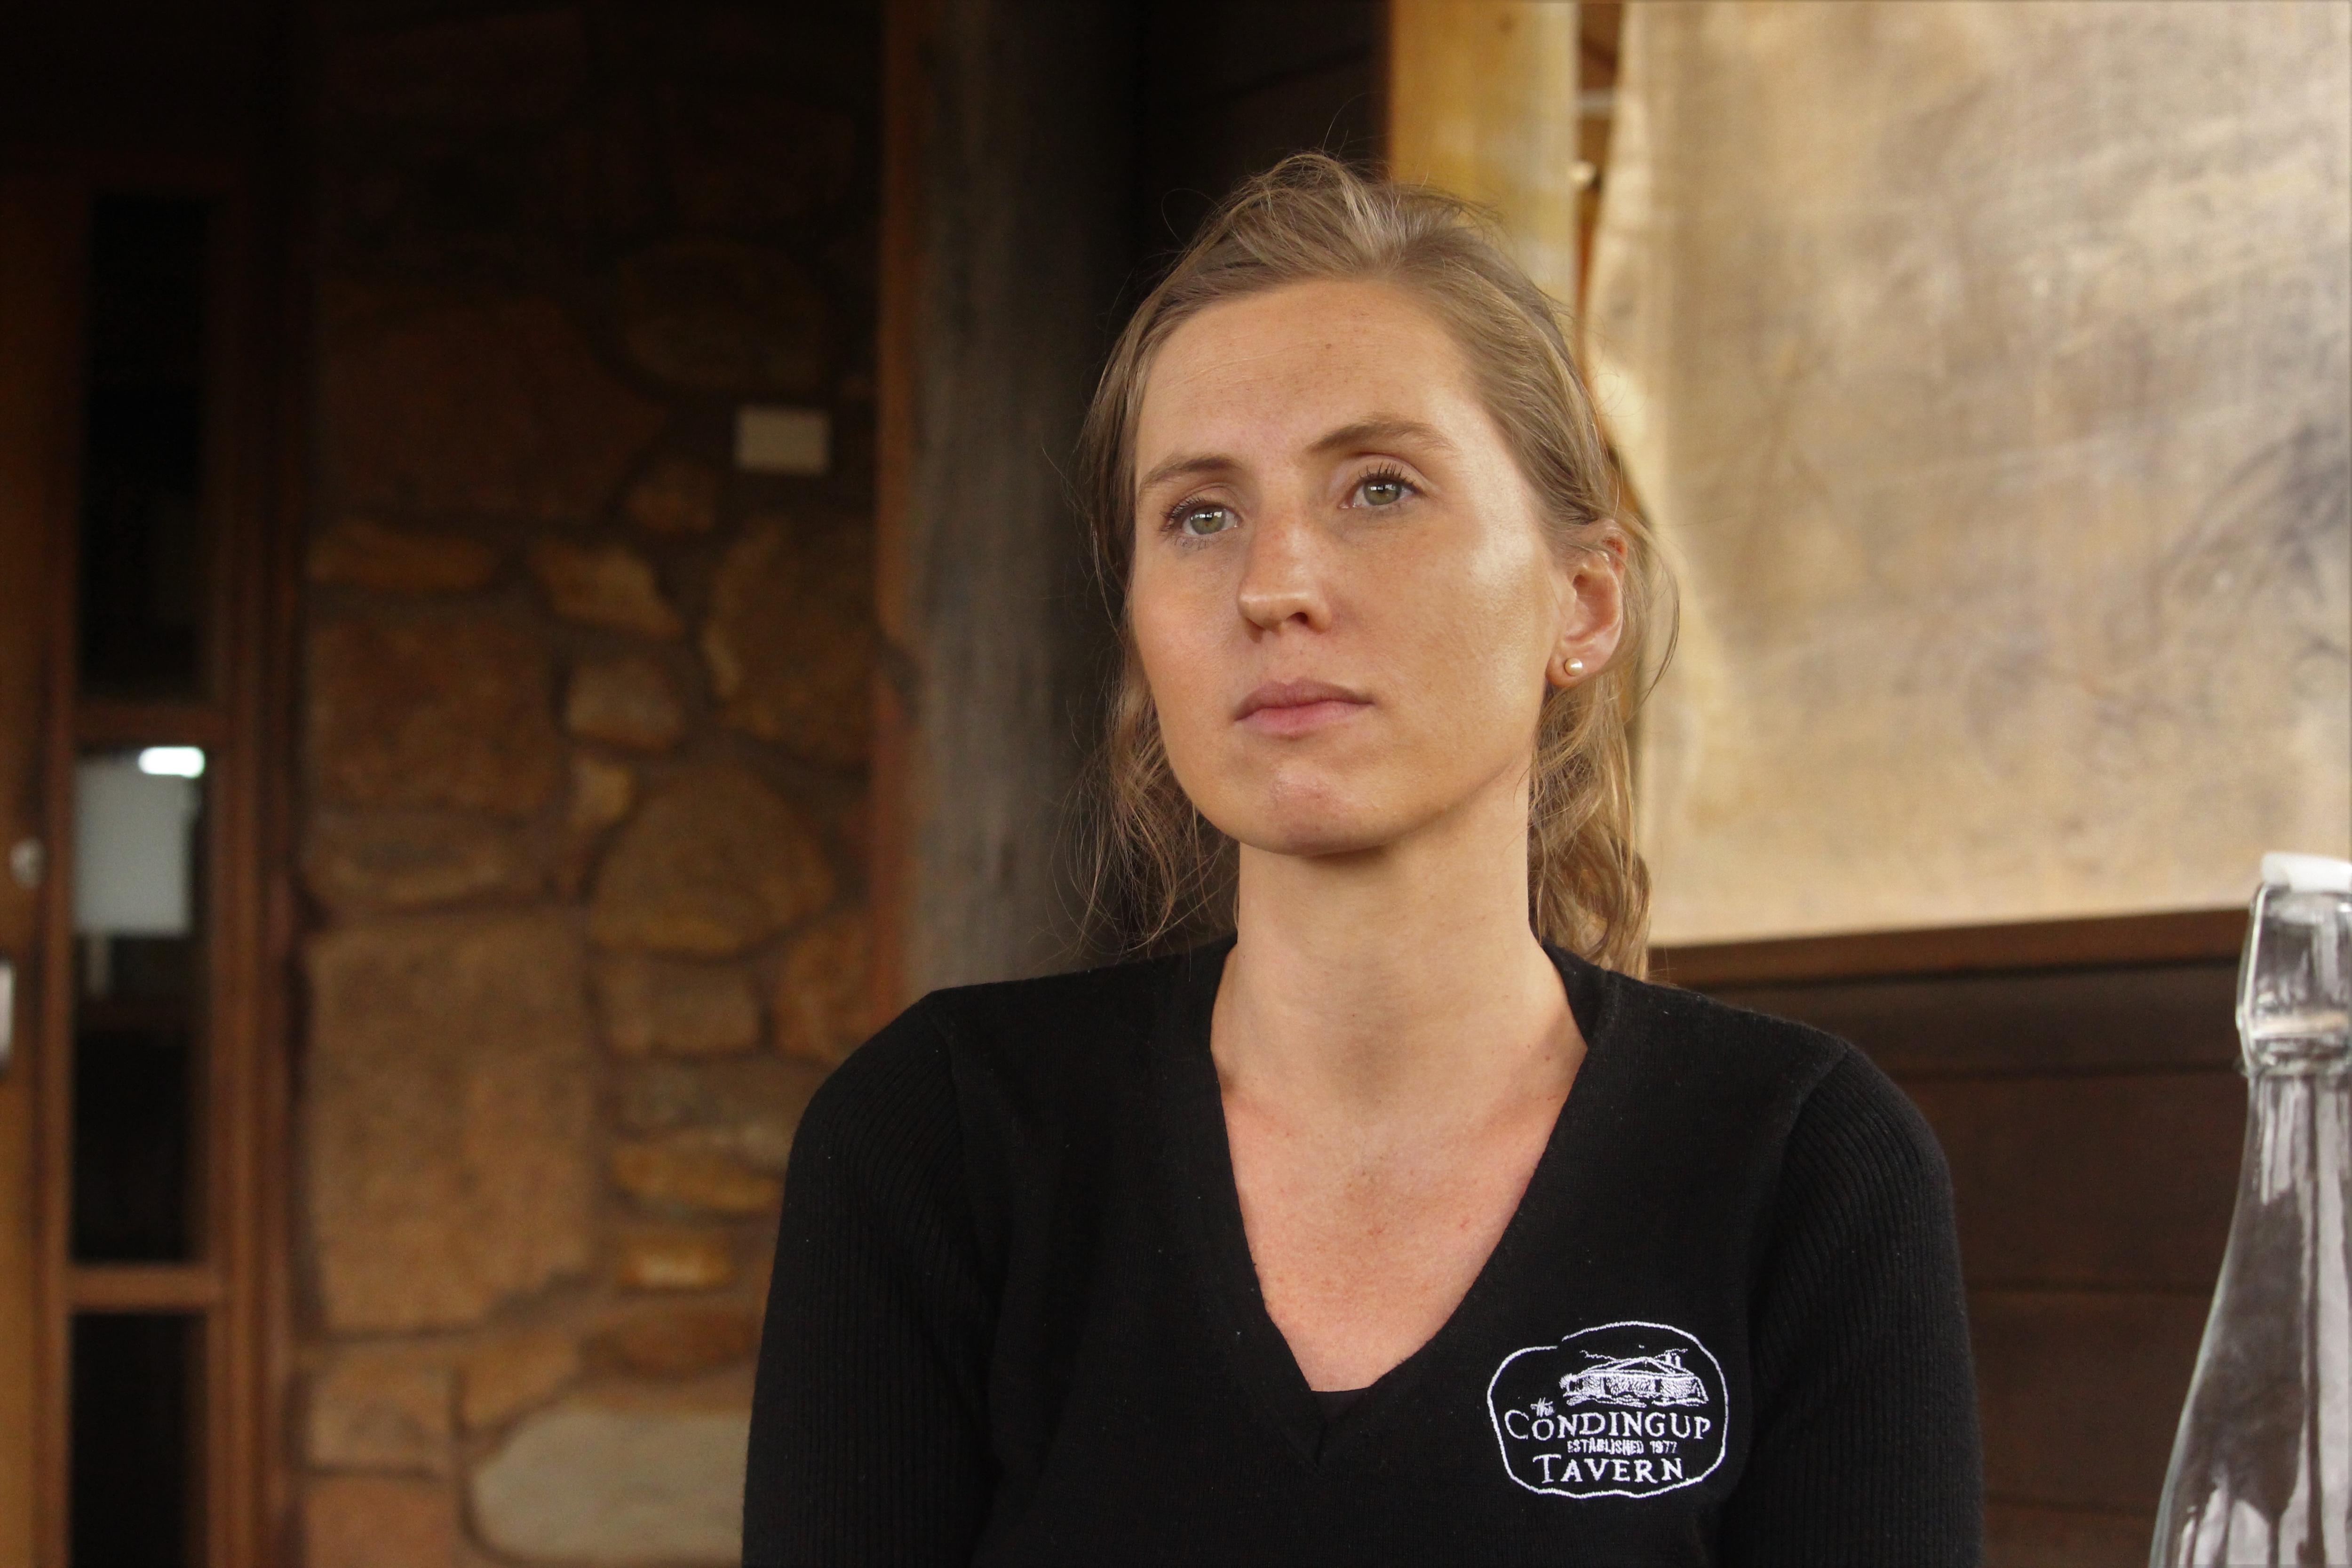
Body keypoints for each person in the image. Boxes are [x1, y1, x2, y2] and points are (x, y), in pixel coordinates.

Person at [744, 153, 1981, 1566]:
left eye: (1379, 489)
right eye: (1199, 515)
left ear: (1582, 600)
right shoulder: (941, 1142)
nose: (1274, 585)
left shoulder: (1804, 1166)